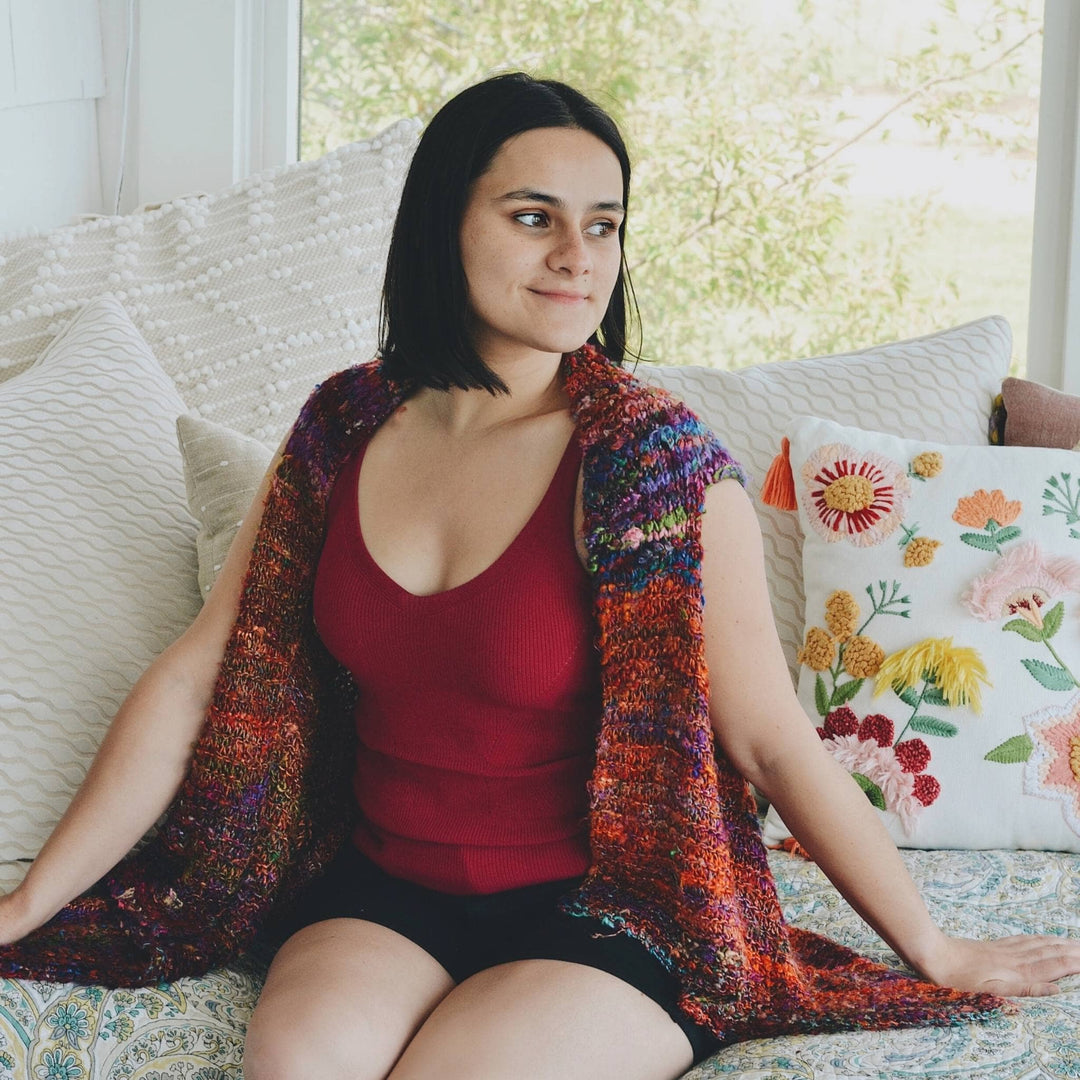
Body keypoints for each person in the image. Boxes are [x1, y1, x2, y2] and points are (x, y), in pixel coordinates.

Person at [2, 72, 1079, 1080]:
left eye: (602, 224)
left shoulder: (656, 464)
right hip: (379, 896)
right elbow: (201, 676)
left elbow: (764, 737)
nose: (578, 254)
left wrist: (933, 944)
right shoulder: (342, 426)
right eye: (533, 216)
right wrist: (28, 903)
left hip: (609, 913)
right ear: (443, 226)